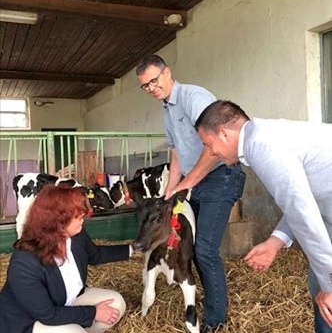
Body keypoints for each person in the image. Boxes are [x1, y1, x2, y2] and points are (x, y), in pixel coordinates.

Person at [195, 99, 332, 333]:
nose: (211, 153)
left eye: (208, 144)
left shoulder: (263, 147)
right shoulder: (263, 136)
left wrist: (330, 285)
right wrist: (275, 241)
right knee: (320, 287)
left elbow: (303, 214)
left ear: (224, 134)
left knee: (326, 296)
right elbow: (302, 199)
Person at [136, 55, 246, 332]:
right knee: (193, 247)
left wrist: (189, 182)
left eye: (154, 80)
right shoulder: (167, 111)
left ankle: (215, 320)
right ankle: (200, 299)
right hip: (196, 181)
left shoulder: (193, 98)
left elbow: (214, 145)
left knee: (206, 250)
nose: (151, 87)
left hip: (220, 177)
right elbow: (176, 155)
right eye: (145, 86)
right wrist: (170, 190)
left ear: (167, 73)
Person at [0, 185, 132, 333]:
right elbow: (47, 314)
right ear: (58, 221)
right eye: (78, 216)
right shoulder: (24, 262)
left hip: (64, 301)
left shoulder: (75, 235)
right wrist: (93, 312)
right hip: (30, 320)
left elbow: (95, 254)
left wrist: (134, 249)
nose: (84, 218)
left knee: (116, 304)